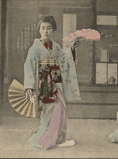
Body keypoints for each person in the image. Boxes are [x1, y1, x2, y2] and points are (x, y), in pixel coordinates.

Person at [24, 15, 81, 150]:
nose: (46, 31)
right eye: (43, 28)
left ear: (53, 30)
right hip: (43, 81)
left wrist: (72, 48)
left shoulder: (55, 46)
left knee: (61, 108)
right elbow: (29, 66)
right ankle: (44, 139)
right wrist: (30, 87)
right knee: (48, 111)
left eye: (49, 28)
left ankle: (59, 138)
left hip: (56, 79)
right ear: (39, 30)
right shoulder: (34, 48)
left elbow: (64, 59)